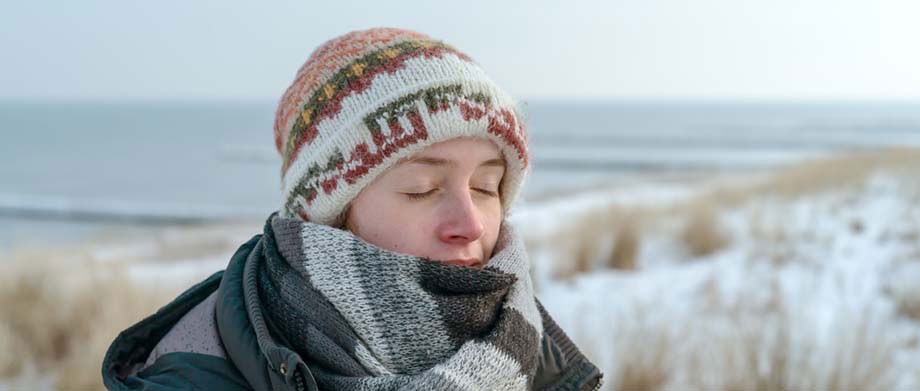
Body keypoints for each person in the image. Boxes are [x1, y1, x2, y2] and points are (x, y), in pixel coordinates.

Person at [102, 27, 603, 391]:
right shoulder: (195, 370)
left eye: (488, 186)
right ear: (326, 217)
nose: (470, 224)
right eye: (422, 188)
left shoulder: (528, 344)